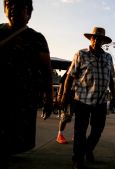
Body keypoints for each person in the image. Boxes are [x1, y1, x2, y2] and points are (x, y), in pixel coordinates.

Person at [0, 0, 53, 168]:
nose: (13, 7)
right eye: (9, 3)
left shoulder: (37, 39)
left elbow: (47, 70)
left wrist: (49, 98)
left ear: (29, 12)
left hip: (21, 101)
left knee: (13, 138)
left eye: (20, 4)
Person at [60, 26, 115, 169]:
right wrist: (65, 95)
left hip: (101, 100)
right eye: (94, 37)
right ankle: (78, 158)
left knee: (98, 130)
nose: (96, 40)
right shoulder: (81, 54)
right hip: (82, 99)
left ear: (103, 41)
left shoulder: (108, 57)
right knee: (80, 131)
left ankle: (88, 149)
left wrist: (114, 97)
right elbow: (69, 76)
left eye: (100, 38)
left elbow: (111, 78)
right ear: (90, 39)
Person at [56, 71, 75, 144]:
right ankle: (60, 135)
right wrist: (60, 96)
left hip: (78, 98)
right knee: (65, 117)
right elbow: (62, 82)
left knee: (80, 118)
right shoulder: (71, 69)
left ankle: (76, 135)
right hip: (68, 98)